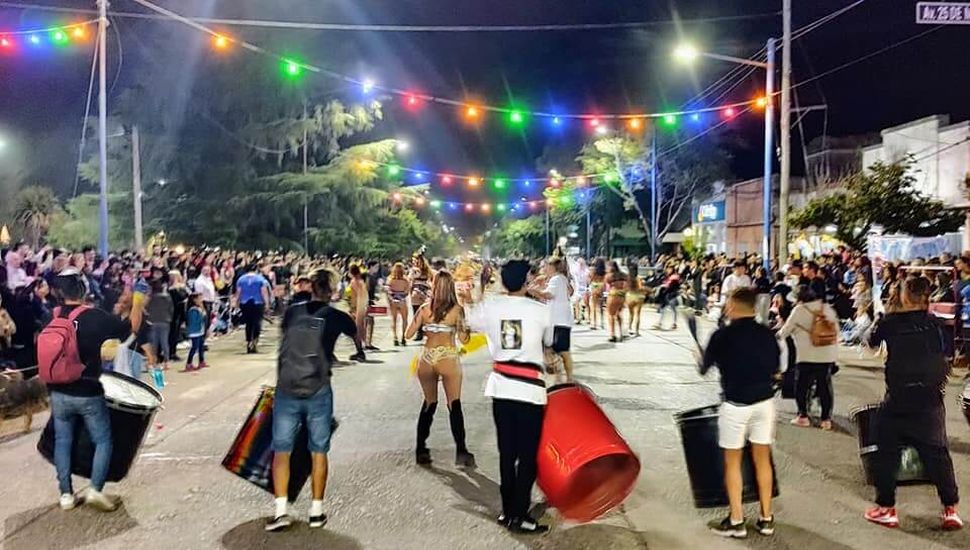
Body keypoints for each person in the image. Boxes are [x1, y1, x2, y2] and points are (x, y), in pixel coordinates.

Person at [864, 277, 962, 530]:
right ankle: (950, 509)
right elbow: (947, 355)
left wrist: (886, 312)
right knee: (937, 452)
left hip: (899, 397)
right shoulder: (938, 324)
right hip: (931, 397)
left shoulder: (891, 322)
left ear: (905, 296)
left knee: (886, 450)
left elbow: (870, 340)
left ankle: (887, 508)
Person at [466, 260, 553, 534]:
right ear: (527, 280)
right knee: (527, 456)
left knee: (507, 453)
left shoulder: (492, 306)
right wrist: (534, 296)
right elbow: (550, 343)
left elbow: (471, 318)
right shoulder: (541, 310)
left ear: (503, 282)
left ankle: (507, 512)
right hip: (530, 391)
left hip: (501, 388)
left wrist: (482, 291)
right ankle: (520, 514)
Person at [45, 269, 139, 512]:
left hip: (58, 391)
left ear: (58, 293)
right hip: (88, 391)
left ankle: (66, 495)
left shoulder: (52, 316)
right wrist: (136, 301)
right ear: (84, 290)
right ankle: (95, 489)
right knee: (103, 440)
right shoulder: (96, 317)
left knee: (63, 441)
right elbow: (131, 331)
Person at [701, 287, 780, 538]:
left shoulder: (721, 336)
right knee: (762, 459)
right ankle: (766, 518)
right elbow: (775, 367)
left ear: (732, 306)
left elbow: (704, 368)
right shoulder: (768, 335)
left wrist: (701, 357)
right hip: (764, 403)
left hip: (735, 405)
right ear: (754, 307)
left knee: (732, 462)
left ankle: (737, 521)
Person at [266, 268, 338, 532]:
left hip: (287, 388)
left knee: (281, 450)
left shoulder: (292, 312)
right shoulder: (333, 316)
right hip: (318, 389)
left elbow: (283, 346)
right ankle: (316, 511)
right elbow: (352, 334)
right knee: (318, 450)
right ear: (330, 291)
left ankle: (280, 509)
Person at [405, 270, 475, 468]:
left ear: (433, 286)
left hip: (427, 359)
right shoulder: (457, 310)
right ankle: (461, 451)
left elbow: (408, 334)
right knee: (454, 404)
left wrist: (426, 325)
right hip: (448, 358)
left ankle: (420, 449)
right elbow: (464, 339)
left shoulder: (425, 309)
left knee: (429, 402)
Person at [777, 285, 839, 430]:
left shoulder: (799, 310)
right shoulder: (826, 308)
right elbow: (836, 331)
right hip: (826, 355)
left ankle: (803, 416)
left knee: (802, 386)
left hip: (805, 355)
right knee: (825, 386)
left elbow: (784, 332)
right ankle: (826, 420)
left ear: (799, 299)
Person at [528, 257, 574, 380]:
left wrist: (534, 291)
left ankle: (568, 378)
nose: (544, 269)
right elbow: (569, 292)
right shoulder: (561, 279)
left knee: (563, 351)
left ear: (552, 267)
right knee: (553, 349)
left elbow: (549, 295)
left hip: (559, 320)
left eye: (546, 266)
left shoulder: (556, 279)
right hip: (559, 319)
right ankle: (559, 377)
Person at [235, 265, 271, 354]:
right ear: (256, 270)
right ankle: (254, 342)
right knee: (257, 322)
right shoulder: (260, 279)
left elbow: (238, 292)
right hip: (257, 302)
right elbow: (264, 292)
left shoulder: (241, 279)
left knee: (248, 323)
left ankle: (249, 342)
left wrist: (236, 303)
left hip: (245, 302)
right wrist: (267, 303)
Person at [145, 278, 174, 370]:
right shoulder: (167, 296)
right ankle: (166, 362)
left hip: (153, 321)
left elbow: (146, 308)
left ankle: (152, 362)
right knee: (164, 342)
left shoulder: (150, 297)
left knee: (153, 343)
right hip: (165, 320)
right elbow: (171, 309)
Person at [386, 262, 411, 346]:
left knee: (394, 320)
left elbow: (388, 290)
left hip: (393, 300)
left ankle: (395, 337)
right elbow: (407, 291)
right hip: (402, 300)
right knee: (404, 320)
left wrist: (392, 297)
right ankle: (403, 337)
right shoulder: (405, 280)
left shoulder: (390, 279)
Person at [409, 255, 432, 342]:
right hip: (426, 291)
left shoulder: (414, 270)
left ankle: (419, 333)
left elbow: (410, 281)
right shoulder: (427, 270)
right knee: (426, 312)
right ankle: (426, 331)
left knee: (416, 313)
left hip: (416, 291)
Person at [183, 292, 208, 371]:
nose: (201, 300)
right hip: (195, 332)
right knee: (194, 348)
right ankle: (188, 363)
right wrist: (201, 315)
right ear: (194, 300)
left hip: (200, 331)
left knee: (201, 347)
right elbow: (194, 321)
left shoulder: (199, 308)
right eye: (199, 298)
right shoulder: (193, 310)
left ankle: (201, 361)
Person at [605, 261, 628, 343]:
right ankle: (621, 333)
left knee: (610, 315)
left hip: (613, 295)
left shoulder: (609, 276)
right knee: (619, 314)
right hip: (622, 296)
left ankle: (612, 334)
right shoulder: (624, 275)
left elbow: (607, 285)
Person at [589, 258, 606, 330]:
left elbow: (590, 279)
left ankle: (594, 323)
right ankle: (602, 323)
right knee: (601, 307)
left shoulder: (593, 271)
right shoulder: (604, 272)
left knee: (593, 307)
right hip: (601, 288)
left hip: (595, 288)